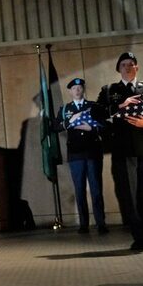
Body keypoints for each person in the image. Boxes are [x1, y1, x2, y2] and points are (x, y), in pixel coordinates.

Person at [97, 52, 143, 251]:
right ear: (118, 69)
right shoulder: (110, 90)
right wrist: (120, 105)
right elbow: (98, 113)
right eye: (123, 65)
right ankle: (139, 238)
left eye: (131, 64)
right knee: (130, 196)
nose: (128, 67)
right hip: (124, 149)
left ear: (137, 67)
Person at [56, 78, 108, 235]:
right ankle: (84, 224)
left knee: (96, 190)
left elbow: (104, 125)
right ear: (70, 91)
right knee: (79, 190)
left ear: (83, 89)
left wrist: (91, 128)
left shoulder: (93, 106)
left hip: (92, 152)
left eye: (79, 87)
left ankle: (101, 223)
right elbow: (55, 126)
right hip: (75, 154)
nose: (77, 90)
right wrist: (69, 121)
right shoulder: (65, 109)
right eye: (74, 88)